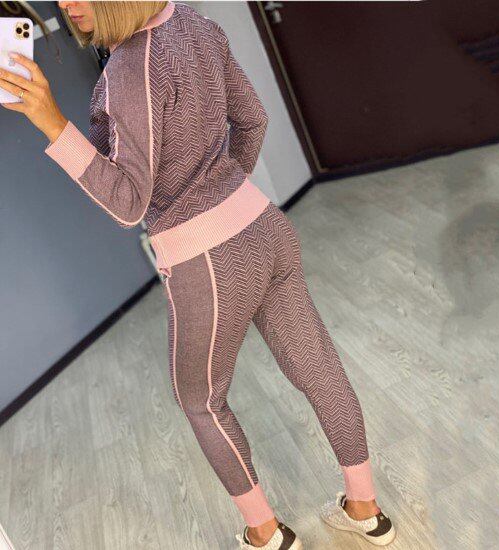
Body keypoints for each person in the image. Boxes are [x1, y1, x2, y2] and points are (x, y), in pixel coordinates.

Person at [0, 2, 396, 548]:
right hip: (265, 226)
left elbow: (128, 205)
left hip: (206, 261)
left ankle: (266, 535)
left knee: (200, 400)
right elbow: (253, 119)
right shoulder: (193, 23)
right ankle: (366, 511)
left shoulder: (128, 70)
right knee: (319, 368)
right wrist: (226, 196)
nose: (67, 4)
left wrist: (51, 121)